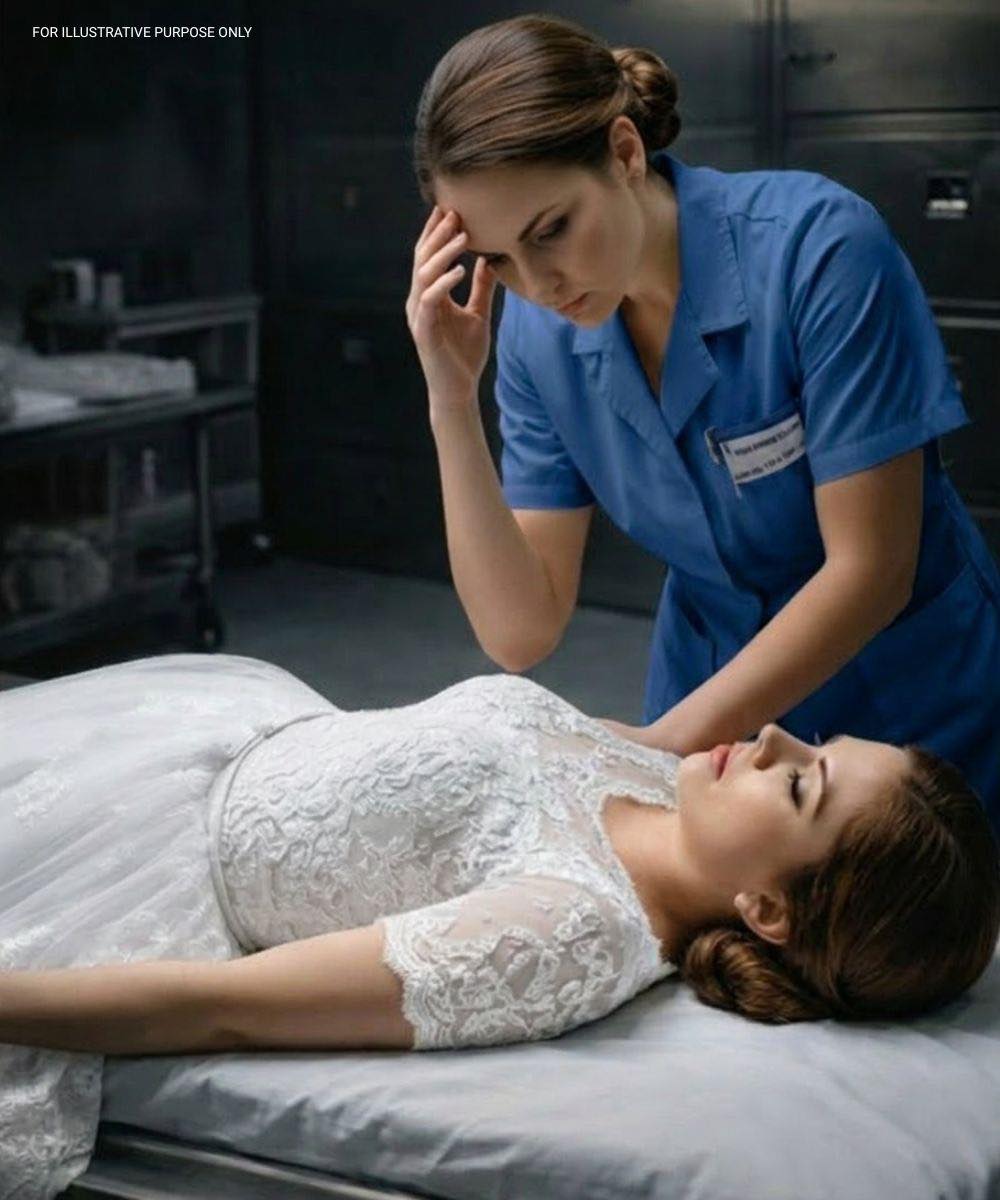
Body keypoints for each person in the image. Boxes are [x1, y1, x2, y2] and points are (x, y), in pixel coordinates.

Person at [0, 654, 998, 1198]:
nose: (774, 734)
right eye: (815, 742)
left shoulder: (564, 932)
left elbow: (224, 1010)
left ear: (768, 911)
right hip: (196, 730)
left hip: (136, 854)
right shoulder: (667, 780)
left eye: (800, 784)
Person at [404, 14, 1000, 832]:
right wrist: (450, 399)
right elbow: (519, 631)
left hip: (905, 706)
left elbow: (871, 570)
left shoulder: (819, 249)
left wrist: (662, 744)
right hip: (711, 714)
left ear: (624, 152)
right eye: (499, 258)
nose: (538, 284)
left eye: (552, 231)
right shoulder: (539, 336)